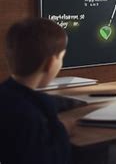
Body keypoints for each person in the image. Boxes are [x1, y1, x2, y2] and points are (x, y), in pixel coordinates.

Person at [0, 18, 71, 164]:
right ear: (50, 63)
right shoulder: (32, 117)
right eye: (61, 58)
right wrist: (61, 130)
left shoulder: (6, 95)